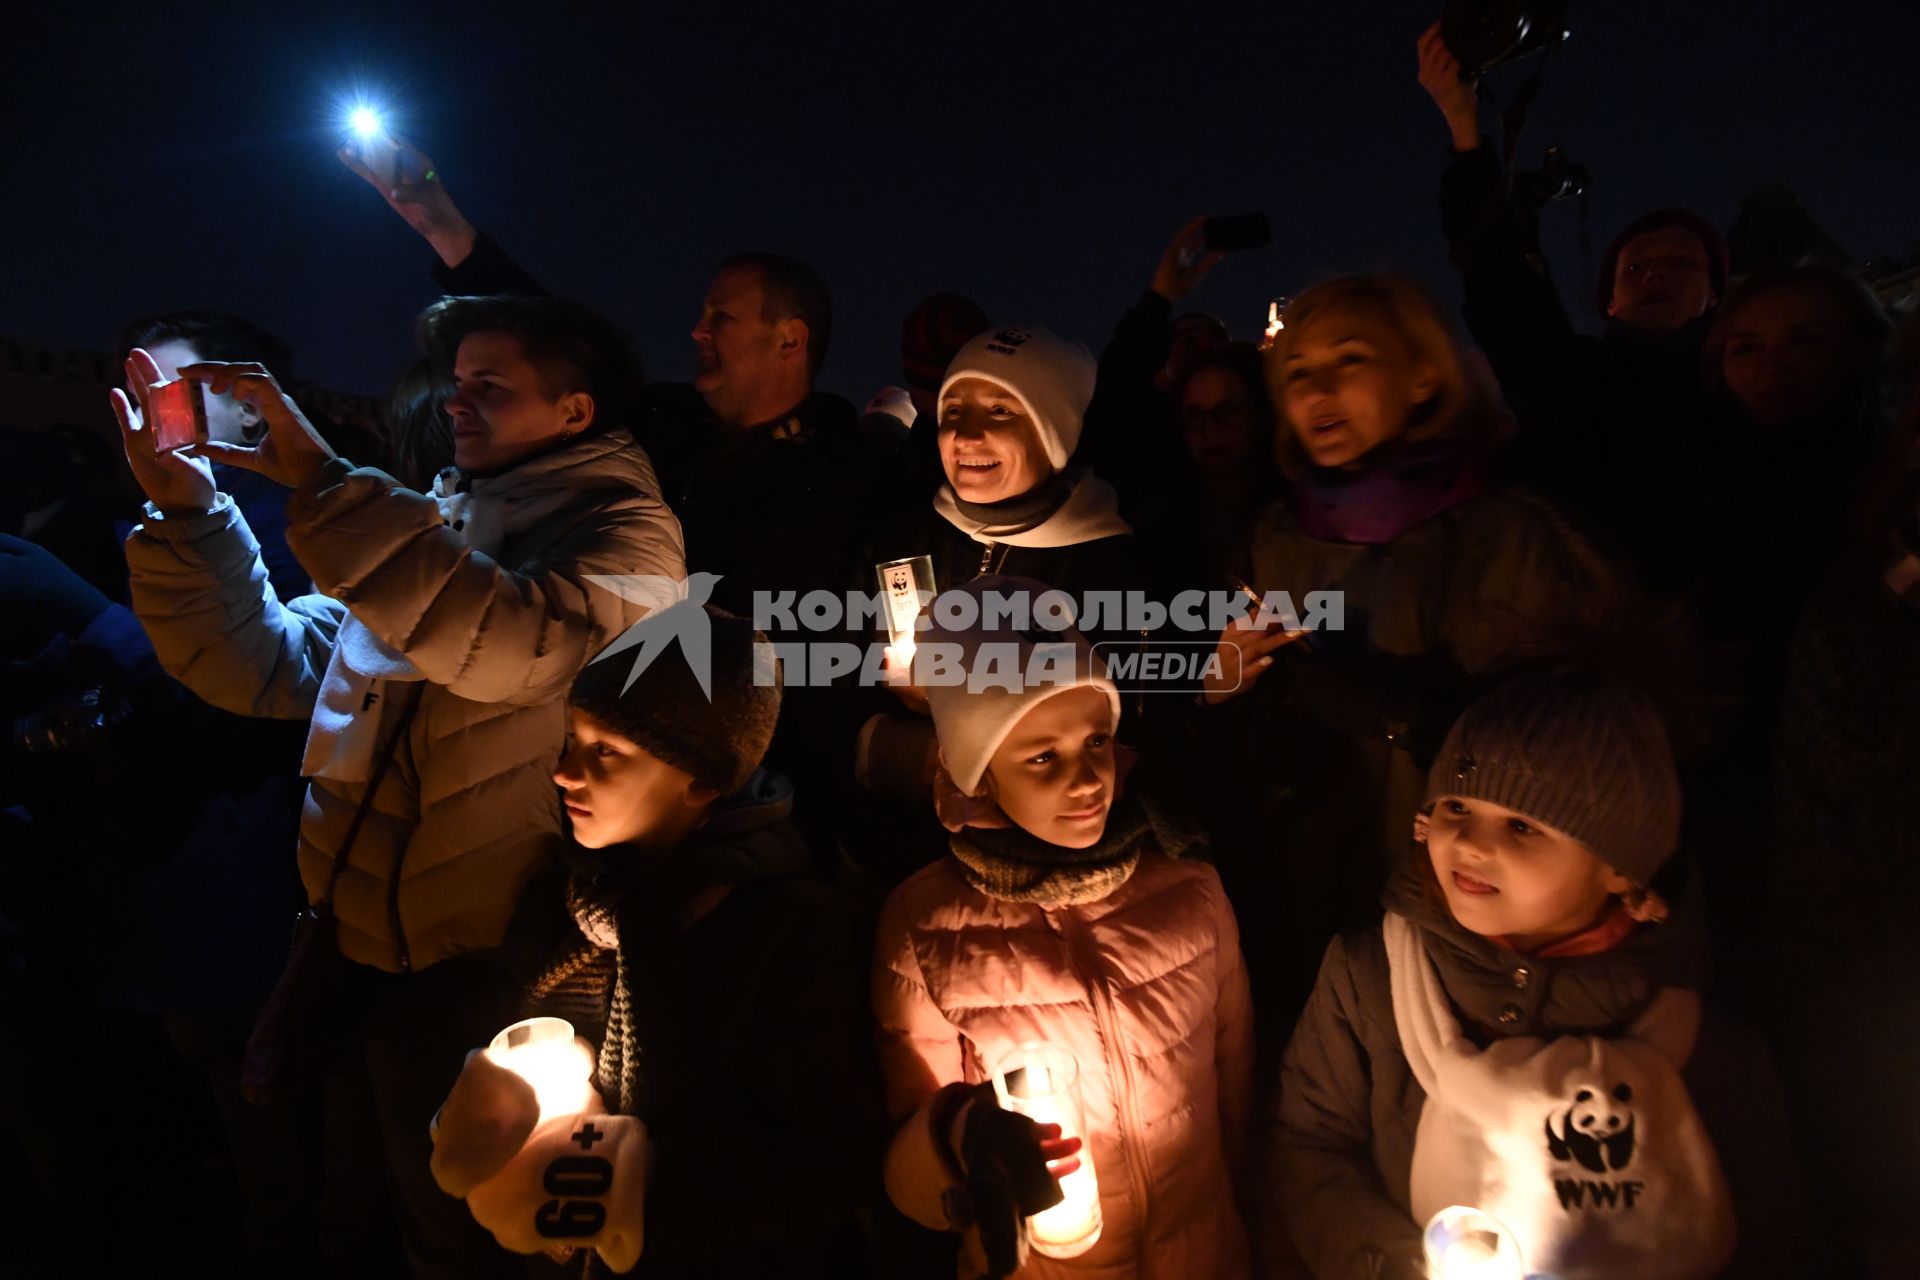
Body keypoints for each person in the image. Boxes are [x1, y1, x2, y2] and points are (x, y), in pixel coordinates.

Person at [113, 294, 686, 1277]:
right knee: (359, 1215)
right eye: (457, 382)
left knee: (468, 1237)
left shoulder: (629, 540)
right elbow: (261, 661)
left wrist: (323, 480)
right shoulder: (432, 519)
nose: (458, 402)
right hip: (360, 946)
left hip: (497, 965)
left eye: (490, 385)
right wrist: (189, 511)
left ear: (575, 411)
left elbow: (509, 645)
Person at [338, 144, 871, 856]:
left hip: (756, 793)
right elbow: (553, 346)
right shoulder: (663, 427)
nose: (697, 331)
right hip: (605, 773)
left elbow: (851, 647)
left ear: (790, 337)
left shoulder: (853, 475)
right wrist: (445, 229)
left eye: (722, 316)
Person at [1199, 273, 1619, 1055]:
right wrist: (1225, 688)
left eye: (1349, 360)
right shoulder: (1275, 541)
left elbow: (1557, 752)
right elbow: (1246, 750)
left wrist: (1390, 713)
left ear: (1423, 375)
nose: (1318, 389)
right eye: (1296, 374)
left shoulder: (1513, 536)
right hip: (1315, 896)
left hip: (1468, 911)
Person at [1267, 671, 1804, 1280]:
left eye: (1522, 825)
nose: (1469, 841)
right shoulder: (1371, 979)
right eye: (1456, 806)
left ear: (1620, 870)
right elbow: (1310, 1145)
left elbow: (1771, 1226)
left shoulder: (1701, 1034)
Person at [430, 602, 876, 1277]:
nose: (564, 772)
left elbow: (821, 1164)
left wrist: (628, 1198)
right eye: (572, 740)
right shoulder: (560, 903)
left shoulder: (785, 930)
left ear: (701, 778)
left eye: (606, 751)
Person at [874, 577, 1254, 1278]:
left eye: (1098, 740)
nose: (1087, 781)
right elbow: (914, 1167)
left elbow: (1240, 1098)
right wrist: (962, 1137)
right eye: (1043, 757)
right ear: (979, 774)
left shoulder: (1191, 891)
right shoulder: (926, 925)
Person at [1416, 22, 1730, 595]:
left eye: (1681, 263)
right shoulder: (1571, 382)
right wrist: (1464, 127)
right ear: (1609, 299)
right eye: (1635, 267)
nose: (1655, 272)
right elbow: (1499, 281)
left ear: (1717, 293)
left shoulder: (1745, 392)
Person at [849, 326, 1147, 885]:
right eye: (953, 409)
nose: (966, 434)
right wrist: (891, 731)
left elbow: (1112, 734)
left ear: (1054, 429)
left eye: (1002, 411)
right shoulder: (903, 535)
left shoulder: (1108, 566)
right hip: (895, 850)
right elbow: (839, 668)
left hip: (1022, 866)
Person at [117, 309, 315, 600]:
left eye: (167, 395)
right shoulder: (140, 512)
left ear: (249, 409)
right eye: (138, 400)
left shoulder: (296, 524)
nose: (139, 418)